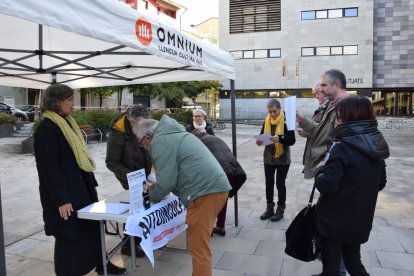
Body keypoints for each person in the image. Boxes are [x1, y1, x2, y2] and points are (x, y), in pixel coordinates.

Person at [34, 84, 125, 276]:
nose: (73, 105)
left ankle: (102, 264)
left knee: (92, 229)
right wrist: (61, 200)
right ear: (57, 102)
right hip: (66, 195)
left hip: (81, 188)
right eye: (69, 100)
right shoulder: (47, 129)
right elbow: (49, 170)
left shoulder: (66, 122)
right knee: (69, 236)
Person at [133, 115, 231, 276]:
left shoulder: (160, 142)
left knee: (198, 249)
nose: (142, 146)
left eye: (140, 142)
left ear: (148, 138)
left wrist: (151, 193)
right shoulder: (172, 133)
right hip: (213, 188)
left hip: (205, 192)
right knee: (199, 246)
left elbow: (167, 182)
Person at [312, 95, 389, 275]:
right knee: (353, 262)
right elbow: (381, 182)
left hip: (334, 221)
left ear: (349, 118)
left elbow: (327, 186)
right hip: (360, 219)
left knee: (331, 265)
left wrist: (319, 172)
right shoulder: (376, 145)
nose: (337, 122)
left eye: (339, 117)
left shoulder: (342, 147)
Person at [105, 104, 151, 258]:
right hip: (130, 176)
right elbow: (111, 162)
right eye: (139, 125)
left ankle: (142, 238)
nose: (142, 128)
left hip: (145, 174)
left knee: (144, 206)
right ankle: (129, 244)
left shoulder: (143, 125)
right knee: (134, 208)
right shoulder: (117, 133)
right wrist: (132, 177)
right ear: (131, 121)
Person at [192, 129, 247, 236]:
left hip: (218, 173)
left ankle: (208, 228)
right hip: (232, 171)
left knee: (209, 201)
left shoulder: (199, 142)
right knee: (222, 200)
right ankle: (220, 227)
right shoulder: (215, 138)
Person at [296, 69, 349, 179]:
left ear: (337, 85)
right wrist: (302, 120)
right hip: (328, 168)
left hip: (334, 170)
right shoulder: (332, 104)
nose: (321, 89)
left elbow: (342, 144)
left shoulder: (347, 106)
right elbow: (321, 130)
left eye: (324, 85)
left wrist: (325, 163)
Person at [256, 99, 296, 222]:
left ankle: (280, 208)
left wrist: (280, 138)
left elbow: (292, 140)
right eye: (270, 112)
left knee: (280, 183)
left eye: (274, 111)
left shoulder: (286, 121)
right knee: (269, 183)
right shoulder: (267, 120)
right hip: (268, 157)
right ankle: (269, 208)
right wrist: (259, 141)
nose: (272, 114)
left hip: (283, 158)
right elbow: (262, 135)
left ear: (279, 109)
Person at [297, 83, 330, 165]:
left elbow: (326, 132)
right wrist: (306, 131)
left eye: (317, 93)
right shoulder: (322, 108)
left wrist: (308, 132)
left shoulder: (330, 109)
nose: (316, 97)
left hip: (323, 154)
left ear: (325, 92)